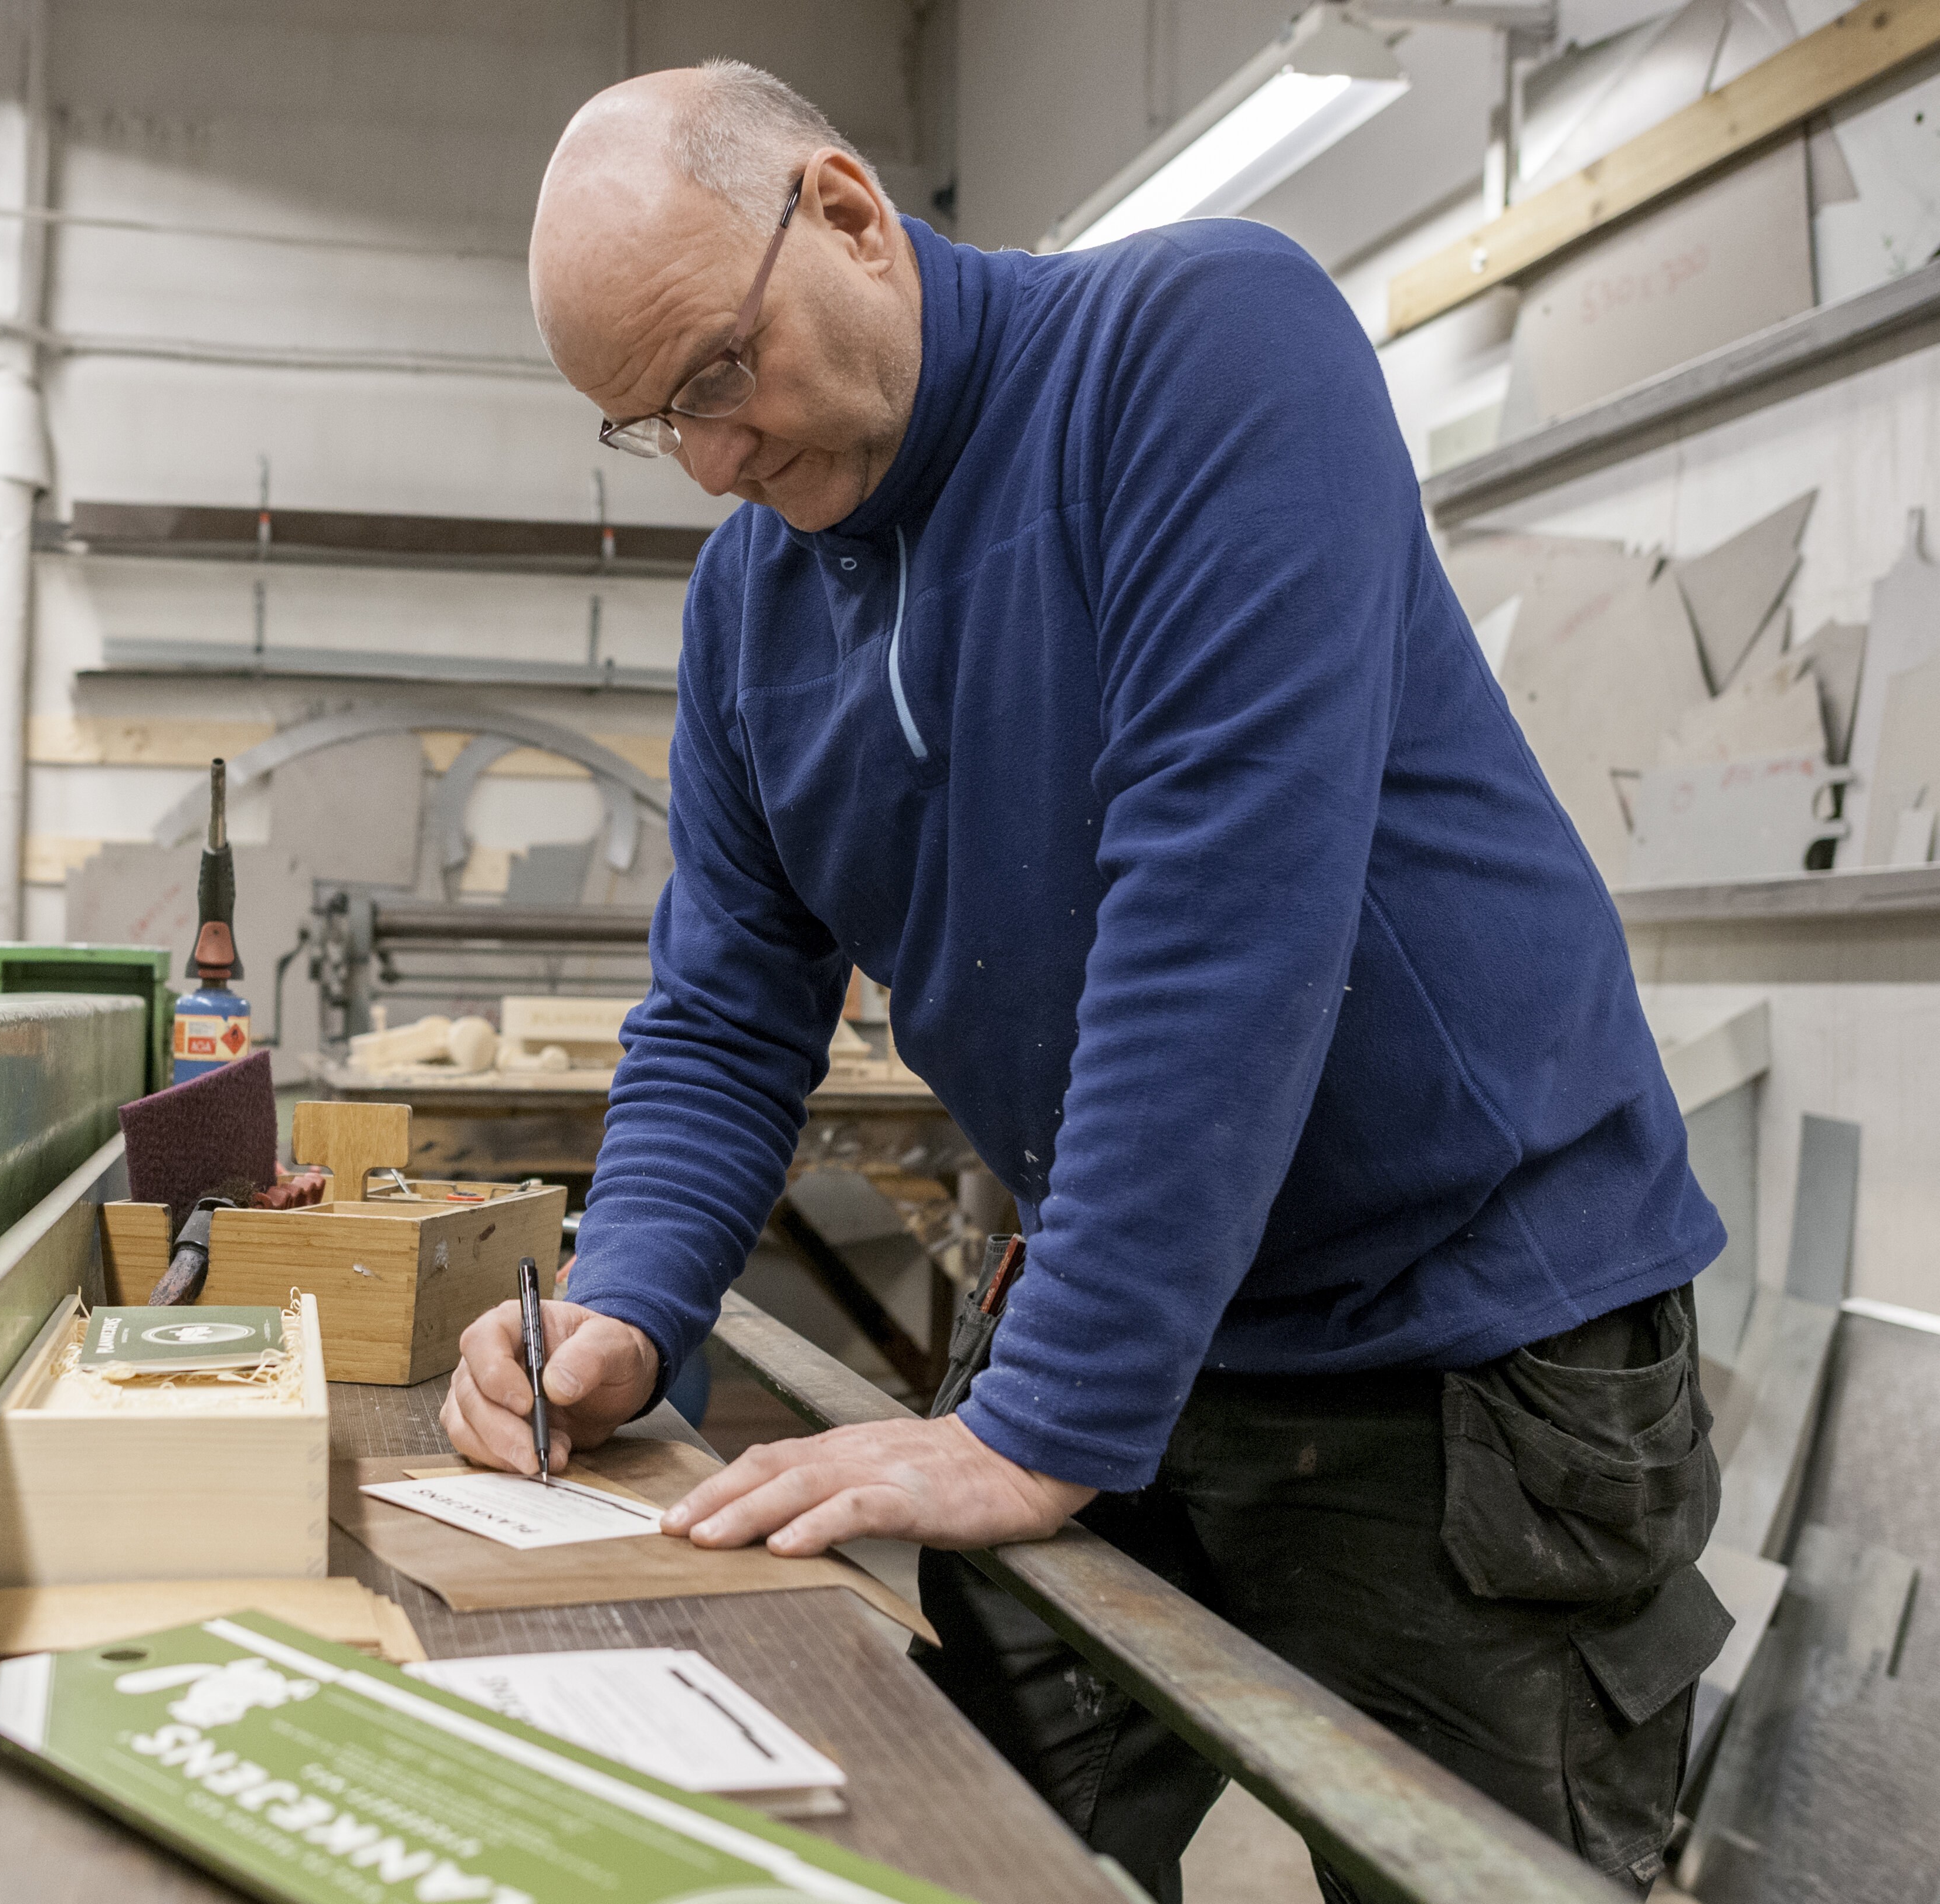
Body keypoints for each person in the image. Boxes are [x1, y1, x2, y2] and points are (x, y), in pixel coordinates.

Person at [442, 58, 1732, 1903]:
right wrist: (624, 1311)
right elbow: (727, 1014)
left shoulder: (1205, 352)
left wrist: (1042, 1422)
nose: (716, 461)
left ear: (849, 213)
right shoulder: (750, 608)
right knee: (942, 1845)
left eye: (718, 375)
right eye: (655, 424)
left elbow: (1219, 911)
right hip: (1140, 1335)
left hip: (1461, 1363)